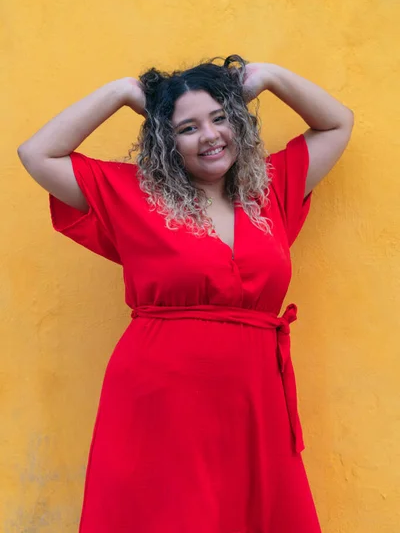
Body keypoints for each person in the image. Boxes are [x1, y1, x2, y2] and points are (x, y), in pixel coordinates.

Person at [17, 54, 354, 532]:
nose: (211, 135)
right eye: (187, 127)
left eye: (221, 118)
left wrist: (271, 77)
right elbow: (37, 154)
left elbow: (337, 124)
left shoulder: (270, 189)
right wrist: (123, 92)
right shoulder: (131, 192)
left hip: (255, 401)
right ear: (165, 141)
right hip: (160, 399)